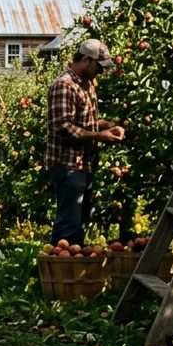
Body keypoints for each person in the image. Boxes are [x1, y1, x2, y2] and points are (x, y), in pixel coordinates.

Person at [46, 38, 126, 246]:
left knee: (80, 221)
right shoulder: (64, 85)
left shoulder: (87, 85)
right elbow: (64, 127)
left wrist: (108, 126)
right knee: (69, 223)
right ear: (85, 60)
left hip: (85, 163)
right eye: (98, 67)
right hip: (68, 164)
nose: (101, 72)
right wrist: (100, 137)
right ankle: (59, 272)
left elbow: (87, 122)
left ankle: (73, 271)